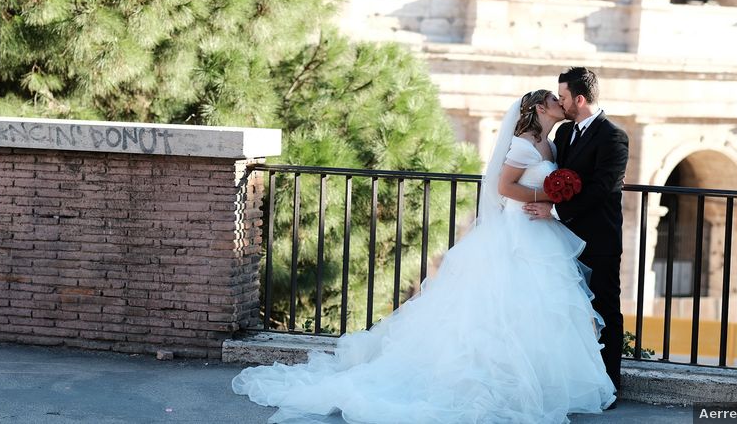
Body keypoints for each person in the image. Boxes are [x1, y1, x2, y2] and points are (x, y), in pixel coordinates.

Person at [232, 89, 616, 424]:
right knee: (495, 310)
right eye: (553, 98)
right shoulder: (521, 145)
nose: (558, 101)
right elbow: (503, 187)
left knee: (537, 310)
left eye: (559, 97)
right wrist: (541, 198)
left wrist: (551, 201)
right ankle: (492, 381)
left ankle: (541, 381)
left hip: (540, 233)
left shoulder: (551, 144)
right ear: (537, 109)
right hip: (517, 231)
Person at [525, 67, 629, 396]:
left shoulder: (614, 137)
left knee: (605, 312)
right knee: (567, 313)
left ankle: (610, 388)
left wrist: (554, 209)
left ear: (579, 99)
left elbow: (601, 189)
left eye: (564, 97)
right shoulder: (564, 134)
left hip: (598, 240)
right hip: (561, 241)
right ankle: (575, 385)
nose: (560, 101)